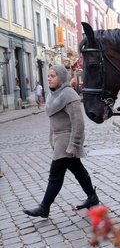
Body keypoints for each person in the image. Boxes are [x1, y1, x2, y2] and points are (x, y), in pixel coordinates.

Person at [23, 65, 99, 218]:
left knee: (55, 174)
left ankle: (44, 207)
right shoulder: (53, 95)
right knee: (78, 170)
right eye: (48, 75)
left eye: (53, 75)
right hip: (59, 142)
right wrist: (52, 140)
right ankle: (92, 197)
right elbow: (53, 122)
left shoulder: (69, 95)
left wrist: (74, 144)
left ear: (62, 77)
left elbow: (78, 123)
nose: (49, 78)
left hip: (67, 142)